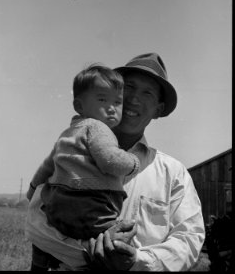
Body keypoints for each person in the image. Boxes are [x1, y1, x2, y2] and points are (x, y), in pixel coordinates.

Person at [25, 53, 205, 271]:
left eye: (147, 92)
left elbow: (189, 238)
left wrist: (136, 260)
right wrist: (90, 252)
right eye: (128, 87)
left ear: (158, 110)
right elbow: (35, 223)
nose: (133, 99)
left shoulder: (173, 172)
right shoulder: (72, 148)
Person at [26, 64, 143, 269]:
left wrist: (32, 188)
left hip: (58, 204)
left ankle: (41, 261)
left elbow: (47, 166)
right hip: (92, 206)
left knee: (50, 239)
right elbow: (109, 160)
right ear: (79, 106)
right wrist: (133, 163)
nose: (111, 107)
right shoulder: (98, 127)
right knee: (114, 239)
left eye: (117, 101)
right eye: (102, 99)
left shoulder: (68, 132)